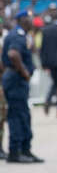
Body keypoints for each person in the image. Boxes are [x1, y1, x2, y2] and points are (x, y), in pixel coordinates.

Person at [1, 11, 43, 163]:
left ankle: (25, 150)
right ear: (22, 20)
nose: (32, 20)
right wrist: (24, 71)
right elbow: (13, 54)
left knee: (24, 115)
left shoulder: (23, 35)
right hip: (16, 79)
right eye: (29, 18)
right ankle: (15, 152)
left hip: (16, 79)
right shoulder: (17, 35)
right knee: (17, 116)